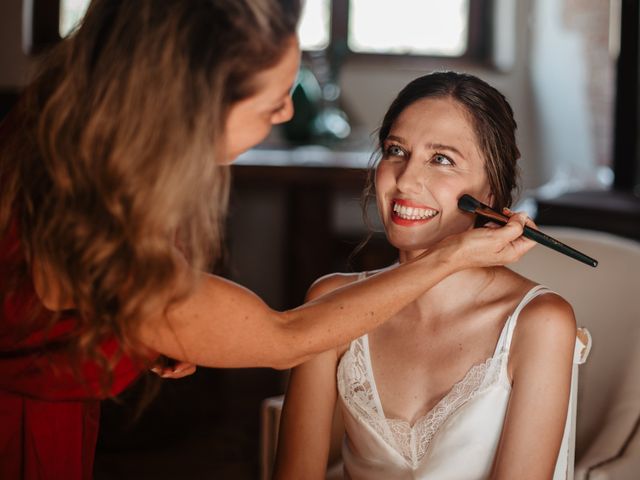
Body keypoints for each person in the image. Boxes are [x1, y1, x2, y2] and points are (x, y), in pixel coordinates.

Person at [0, 2, 535, 479]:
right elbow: (285, 339)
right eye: (272, 101)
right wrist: (450, 256)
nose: (285, 113)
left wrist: (128, 323)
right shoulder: (87, 207)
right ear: (195, 101)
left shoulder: (58, 143)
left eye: (442, 159)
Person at [273, 72, 591, 480]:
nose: (405, 180)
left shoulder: (540, 323)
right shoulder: (330, 300)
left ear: (491, 193)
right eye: (395, 150)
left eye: (442, 159)